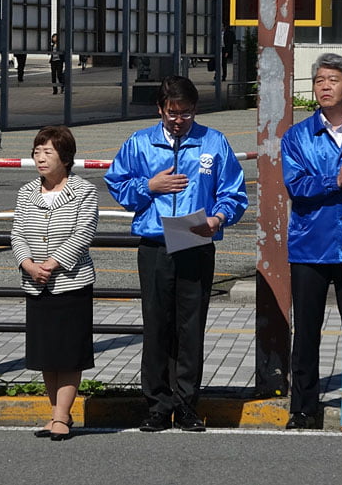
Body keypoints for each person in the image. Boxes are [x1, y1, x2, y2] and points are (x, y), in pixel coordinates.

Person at [104, 75, 248, 433]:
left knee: (190, 326)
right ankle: (156, 404)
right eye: (172, 113)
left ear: (195, 110)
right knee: (156, 325)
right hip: (155, 244)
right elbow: (117, 183)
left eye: (185, 113)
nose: (179, 120)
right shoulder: (141, 143)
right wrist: (149, 186)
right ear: (160, 110)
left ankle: (185, 403)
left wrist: (218, 218)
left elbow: (235, 193)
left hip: (196, 243)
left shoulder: (213, 142)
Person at [281, 53, 342, 432]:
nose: (324, 86)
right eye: (319, 80)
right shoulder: (298, 135)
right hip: (310, 245)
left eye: (333, 80)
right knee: (305, 333)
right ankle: (302, 408)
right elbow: (297, 186)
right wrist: (333, 180)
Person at [10, 126, 98, 441]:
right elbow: (17, 232)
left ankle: (61, 417)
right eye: (37, 152)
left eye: (48, 152)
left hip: (71, 282)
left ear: (65, 156)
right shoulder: (26, 192)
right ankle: (56, 413)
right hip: (36, 284)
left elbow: (84, 232)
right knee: (47, 353)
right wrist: (28, 264)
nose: (40, 158)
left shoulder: (84, 191)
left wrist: (52, 262)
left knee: (70, 352)